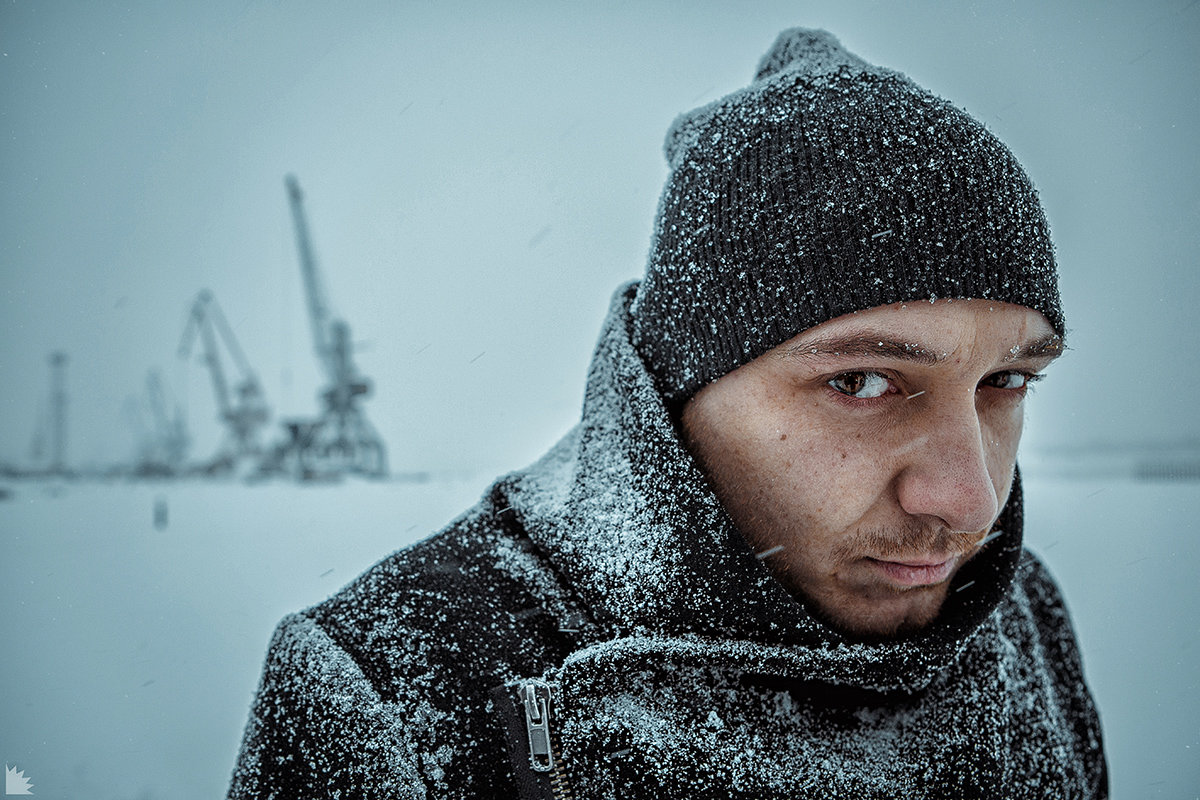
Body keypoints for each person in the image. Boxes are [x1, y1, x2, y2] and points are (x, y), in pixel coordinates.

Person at [228, 28, 1107, 799]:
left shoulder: (1018, 615)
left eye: (1007, 383)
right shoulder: (396, 693)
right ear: (679, 390)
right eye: (863, 383)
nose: (966, 502)